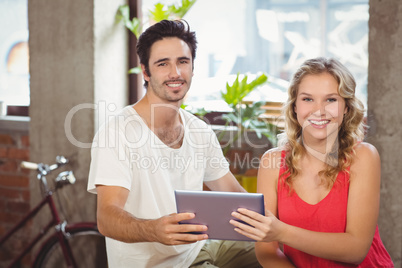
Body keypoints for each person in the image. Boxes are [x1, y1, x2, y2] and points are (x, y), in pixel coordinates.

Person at [87, 20, 261, 268]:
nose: (175, 73)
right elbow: (107, 218)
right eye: (162, 64)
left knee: (284, 252)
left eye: (182, 61)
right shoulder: (117, 133)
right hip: (157, 263)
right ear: (145, 72)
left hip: (202, 246)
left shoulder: (199, 130)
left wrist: (283, 225)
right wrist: (153, 230)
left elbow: (235, 196)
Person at [229, 57, 394, 267]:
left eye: (331, 100)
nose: (319, 110)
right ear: (295, 106)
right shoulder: (272, 162)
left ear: (346, 107)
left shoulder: (364, 157)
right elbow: (266, 249)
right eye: (308, 99)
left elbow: (356, 249)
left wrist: (282, 231)